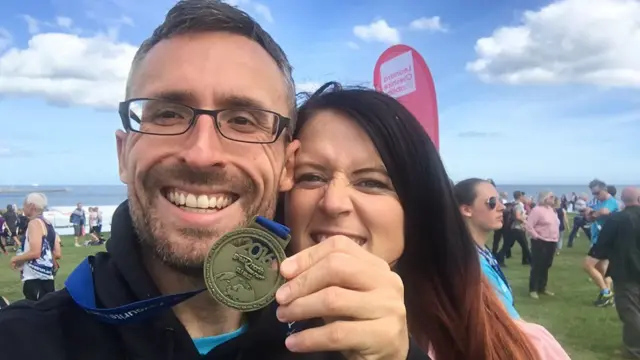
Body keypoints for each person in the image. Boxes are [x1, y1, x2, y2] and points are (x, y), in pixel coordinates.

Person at [0, 2, 422, 360]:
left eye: (242, 120)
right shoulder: (22, 342)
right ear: (124, 154)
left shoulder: (342, 339)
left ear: (287, 165)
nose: (202, 154)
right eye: (167, 113)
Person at [284, 83, 569, 360]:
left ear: (419, 206)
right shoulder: (248, 336)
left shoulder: (521, 348)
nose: (333, 203)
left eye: (371, 182)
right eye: (311, 177)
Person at [454, 178, 519, 318]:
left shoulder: (479, 251)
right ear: (466, 210)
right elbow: (504, 320)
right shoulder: (471, 264)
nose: (501, 207)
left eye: (500, 200)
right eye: (492, 202)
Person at [590, 187, 640, 359]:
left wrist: (597, 257)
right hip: (628, 269)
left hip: (626, 271)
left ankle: (634, 351)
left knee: (631, 312)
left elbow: (602, 244)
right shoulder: (618, 218)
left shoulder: (617, 219)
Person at [9, 193, 62, 301]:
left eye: (24, 205)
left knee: (35, 312)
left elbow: (35, 252)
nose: (22, 208)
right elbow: (57, 253)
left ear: (31, 206)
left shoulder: (34, 223)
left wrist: (15, 258)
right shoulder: (48, 224)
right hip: (47, 277)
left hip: (35, 278)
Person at [583, 179, 619, 307]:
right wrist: (589, 214)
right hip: (598, 238)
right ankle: (609, 297)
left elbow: (604, 212)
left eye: (597, 193)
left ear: (605, 190)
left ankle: (606, 293)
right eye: (593, 194)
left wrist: (593, 213)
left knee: (587, 265)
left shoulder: (611, 202)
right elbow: (591, 217)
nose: (596, 196)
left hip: (604, 240)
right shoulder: (599, 202)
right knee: (601, 269)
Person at [525, 192, 560, 300]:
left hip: (552, 241)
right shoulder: (537, 210)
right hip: (540, 241)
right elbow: (529, 225)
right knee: (537, 265)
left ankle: (542, 287)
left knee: (546, 265)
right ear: (544, 198)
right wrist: (536, 236)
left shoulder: (551, 210)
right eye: (551, 196)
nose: (553, 198)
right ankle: (533, 289)